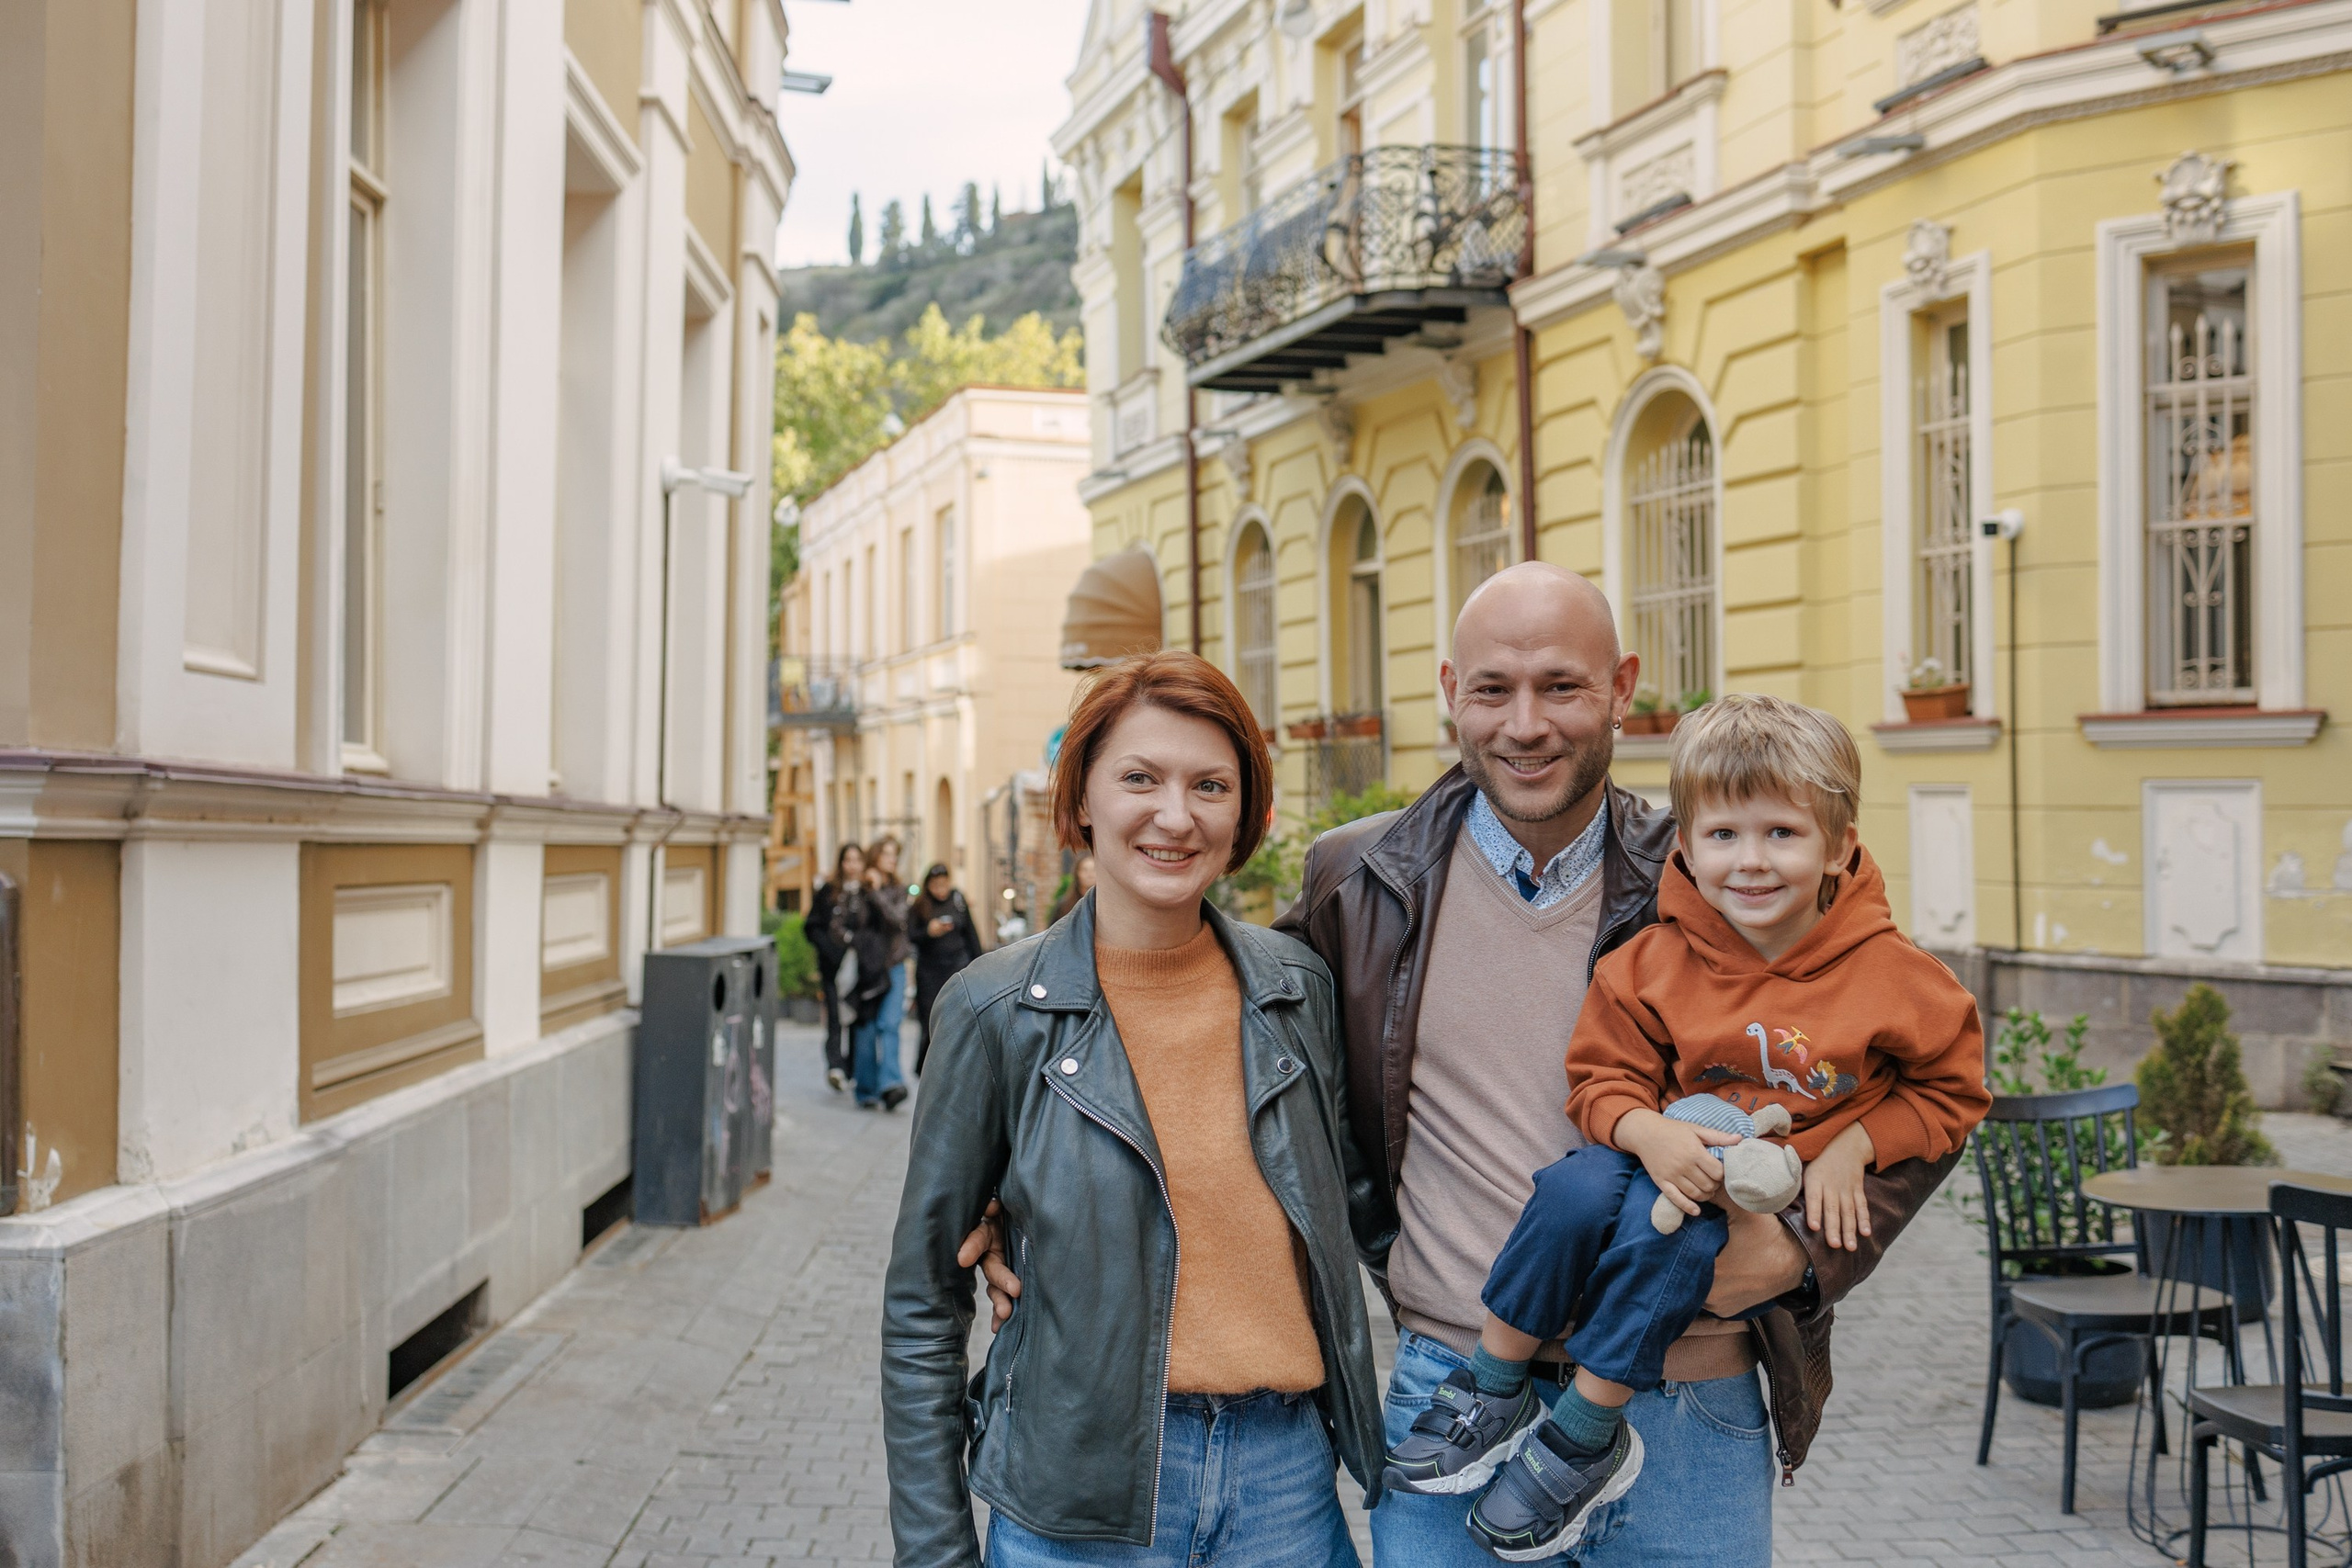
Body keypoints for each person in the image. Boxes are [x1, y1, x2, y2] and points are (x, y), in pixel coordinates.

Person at [963, 564, 1962, 1567]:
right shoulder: (1361, 879)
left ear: (1622, 687)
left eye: (1561, 686)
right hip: (1453, 1390)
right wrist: (1025, 1185)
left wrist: (1802, 1250)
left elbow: (1916, 1066)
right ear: (1450, 693)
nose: (1526, 724)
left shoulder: (1716, 867)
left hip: (1689, 1401)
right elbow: (1213, 1027)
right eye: (1492, 689)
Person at [1380, 694, 1990, 1558]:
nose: (1752, 860)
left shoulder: (1899, 977)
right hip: (1661, 1154)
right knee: (1570, 1188)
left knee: (1665, 1242)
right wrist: (1645, 1131)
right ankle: (1493, 1379)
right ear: (1688, 847)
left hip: (1735, 1202)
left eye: (1782, 833)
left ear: (1838, 844)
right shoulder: (1652, 961)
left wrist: (1857, 1144)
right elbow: (1600, 1079)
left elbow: (1953, 1093)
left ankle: (1587, 1430)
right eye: (1724, 835)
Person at [880, 651, 1385, 1568]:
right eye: (1140, 778)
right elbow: (922, 1302)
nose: (1176, 815)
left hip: (1284, 1488)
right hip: (1077, 1496)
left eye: (1210, 785)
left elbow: (1361, 1205)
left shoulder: (1295, 989)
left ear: (1246, 812)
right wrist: (936, 1551)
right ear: (1081, 798)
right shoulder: (995, 1011)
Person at [846, 835, 911, 1111]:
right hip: (869, 969)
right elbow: (852, 924)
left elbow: (897, 920)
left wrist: (876, 893)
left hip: (894, 966)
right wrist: (867, 890)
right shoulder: (859, 891)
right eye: (886, 854)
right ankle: (866, 1089)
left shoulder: (898, 889)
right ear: (875, 857)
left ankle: (891, 1085)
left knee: (890, 1024)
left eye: (894, 854)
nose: (892, 859)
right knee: (867, 1028)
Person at [910, 862, 983, 1074]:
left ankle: (953, 1065)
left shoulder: (958, 899)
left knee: (957, 1017)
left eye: (944, 884)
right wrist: (928, 932)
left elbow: (971, 934)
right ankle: (926, 1066)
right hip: (929, 971)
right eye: (936, 885)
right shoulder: (920, 905)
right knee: (930, 1019)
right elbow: (911, 936)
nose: (940, 890)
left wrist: (980, 965)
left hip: (956, 967)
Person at [806, 842, 864, 1093]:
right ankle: (835, 1066)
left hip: (860, 968)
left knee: (855, 1017)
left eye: (857, 860)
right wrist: (829, 949)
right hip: (833, 967)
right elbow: (811, 926)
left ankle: (850, 1068)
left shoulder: (866, 892)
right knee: (834, 1016)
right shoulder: (828, 892)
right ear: (841, 863)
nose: (852, 865)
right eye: (848, 860)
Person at [1049, 852, 1097, 924]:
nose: (1090, 875)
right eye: (1085, 870)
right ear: (1077, 873)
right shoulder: (1064, 906)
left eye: (1093, 870)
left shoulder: (1105, 905)